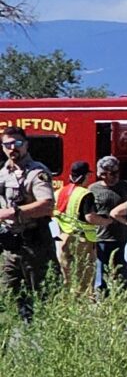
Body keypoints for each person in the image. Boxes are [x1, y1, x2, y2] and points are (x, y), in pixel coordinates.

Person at [0, 126, 57, 316]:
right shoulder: (3, 173)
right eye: (7, 144)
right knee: (7, 300)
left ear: (26, 145)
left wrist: (12, 213)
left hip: (35, 246)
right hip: (10, 247)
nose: (12, 148)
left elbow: (47, 205)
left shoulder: (37, 172)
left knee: (42, 299)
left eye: (17, 143)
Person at [83, 156, 127, 295]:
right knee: (101, 275)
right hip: (102, 238)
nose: (113, 176)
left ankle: (121, 300)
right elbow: (89, 213)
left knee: (123, 274)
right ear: (101, 174)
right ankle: (101, 299)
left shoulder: (125, 186)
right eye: (109, 173)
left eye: (116, 172)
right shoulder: (93, 189)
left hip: (123, 236)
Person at [54, 160, 95, 296]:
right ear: (86, 176)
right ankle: (82, 302)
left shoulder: (59, 192)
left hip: (62, 238)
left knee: (67, 275)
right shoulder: (85, 194)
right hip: (81, 239)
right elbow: (90, 217)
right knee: (84, 275)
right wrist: (107, 221)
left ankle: (67, 301)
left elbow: (53, 214)